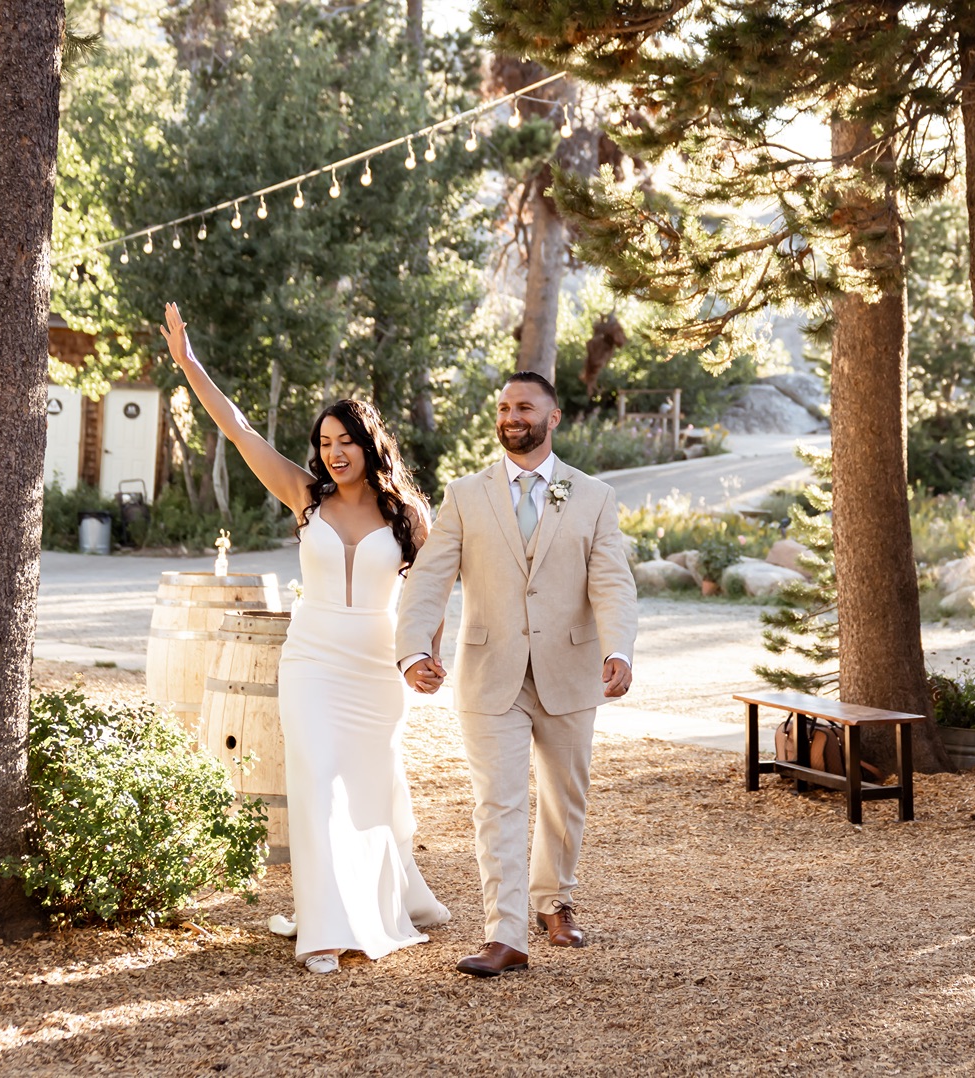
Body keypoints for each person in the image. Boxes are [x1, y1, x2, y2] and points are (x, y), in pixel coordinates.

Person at [160, 304, 450, 975]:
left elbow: (428, 596)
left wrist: (426, 657)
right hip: (313, 660)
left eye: (343, 440)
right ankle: (324, 930)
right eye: (323, 443)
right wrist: (190, 364)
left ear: (368, 442)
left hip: (378, 669)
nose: (332, 452)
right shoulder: (304, 497)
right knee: (315, 785)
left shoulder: (408, 514)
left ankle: (377, 902)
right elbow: (238, 429)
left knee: (368, 792)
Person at [395, 370, 638, 978]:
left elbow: (612, 582)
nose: (511, 417)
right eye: (504, 407)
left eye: (524, 407)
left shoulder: (593, 496)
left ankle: (554, 901)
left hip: (571, 670)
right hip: (490, 672)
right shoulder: (465, 495)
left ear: (552, 419)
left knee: (564, 799)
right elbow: (428, 579)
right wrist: (413, 650)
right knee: (497, 804)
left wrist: (620, 650)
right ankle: (505, 935)